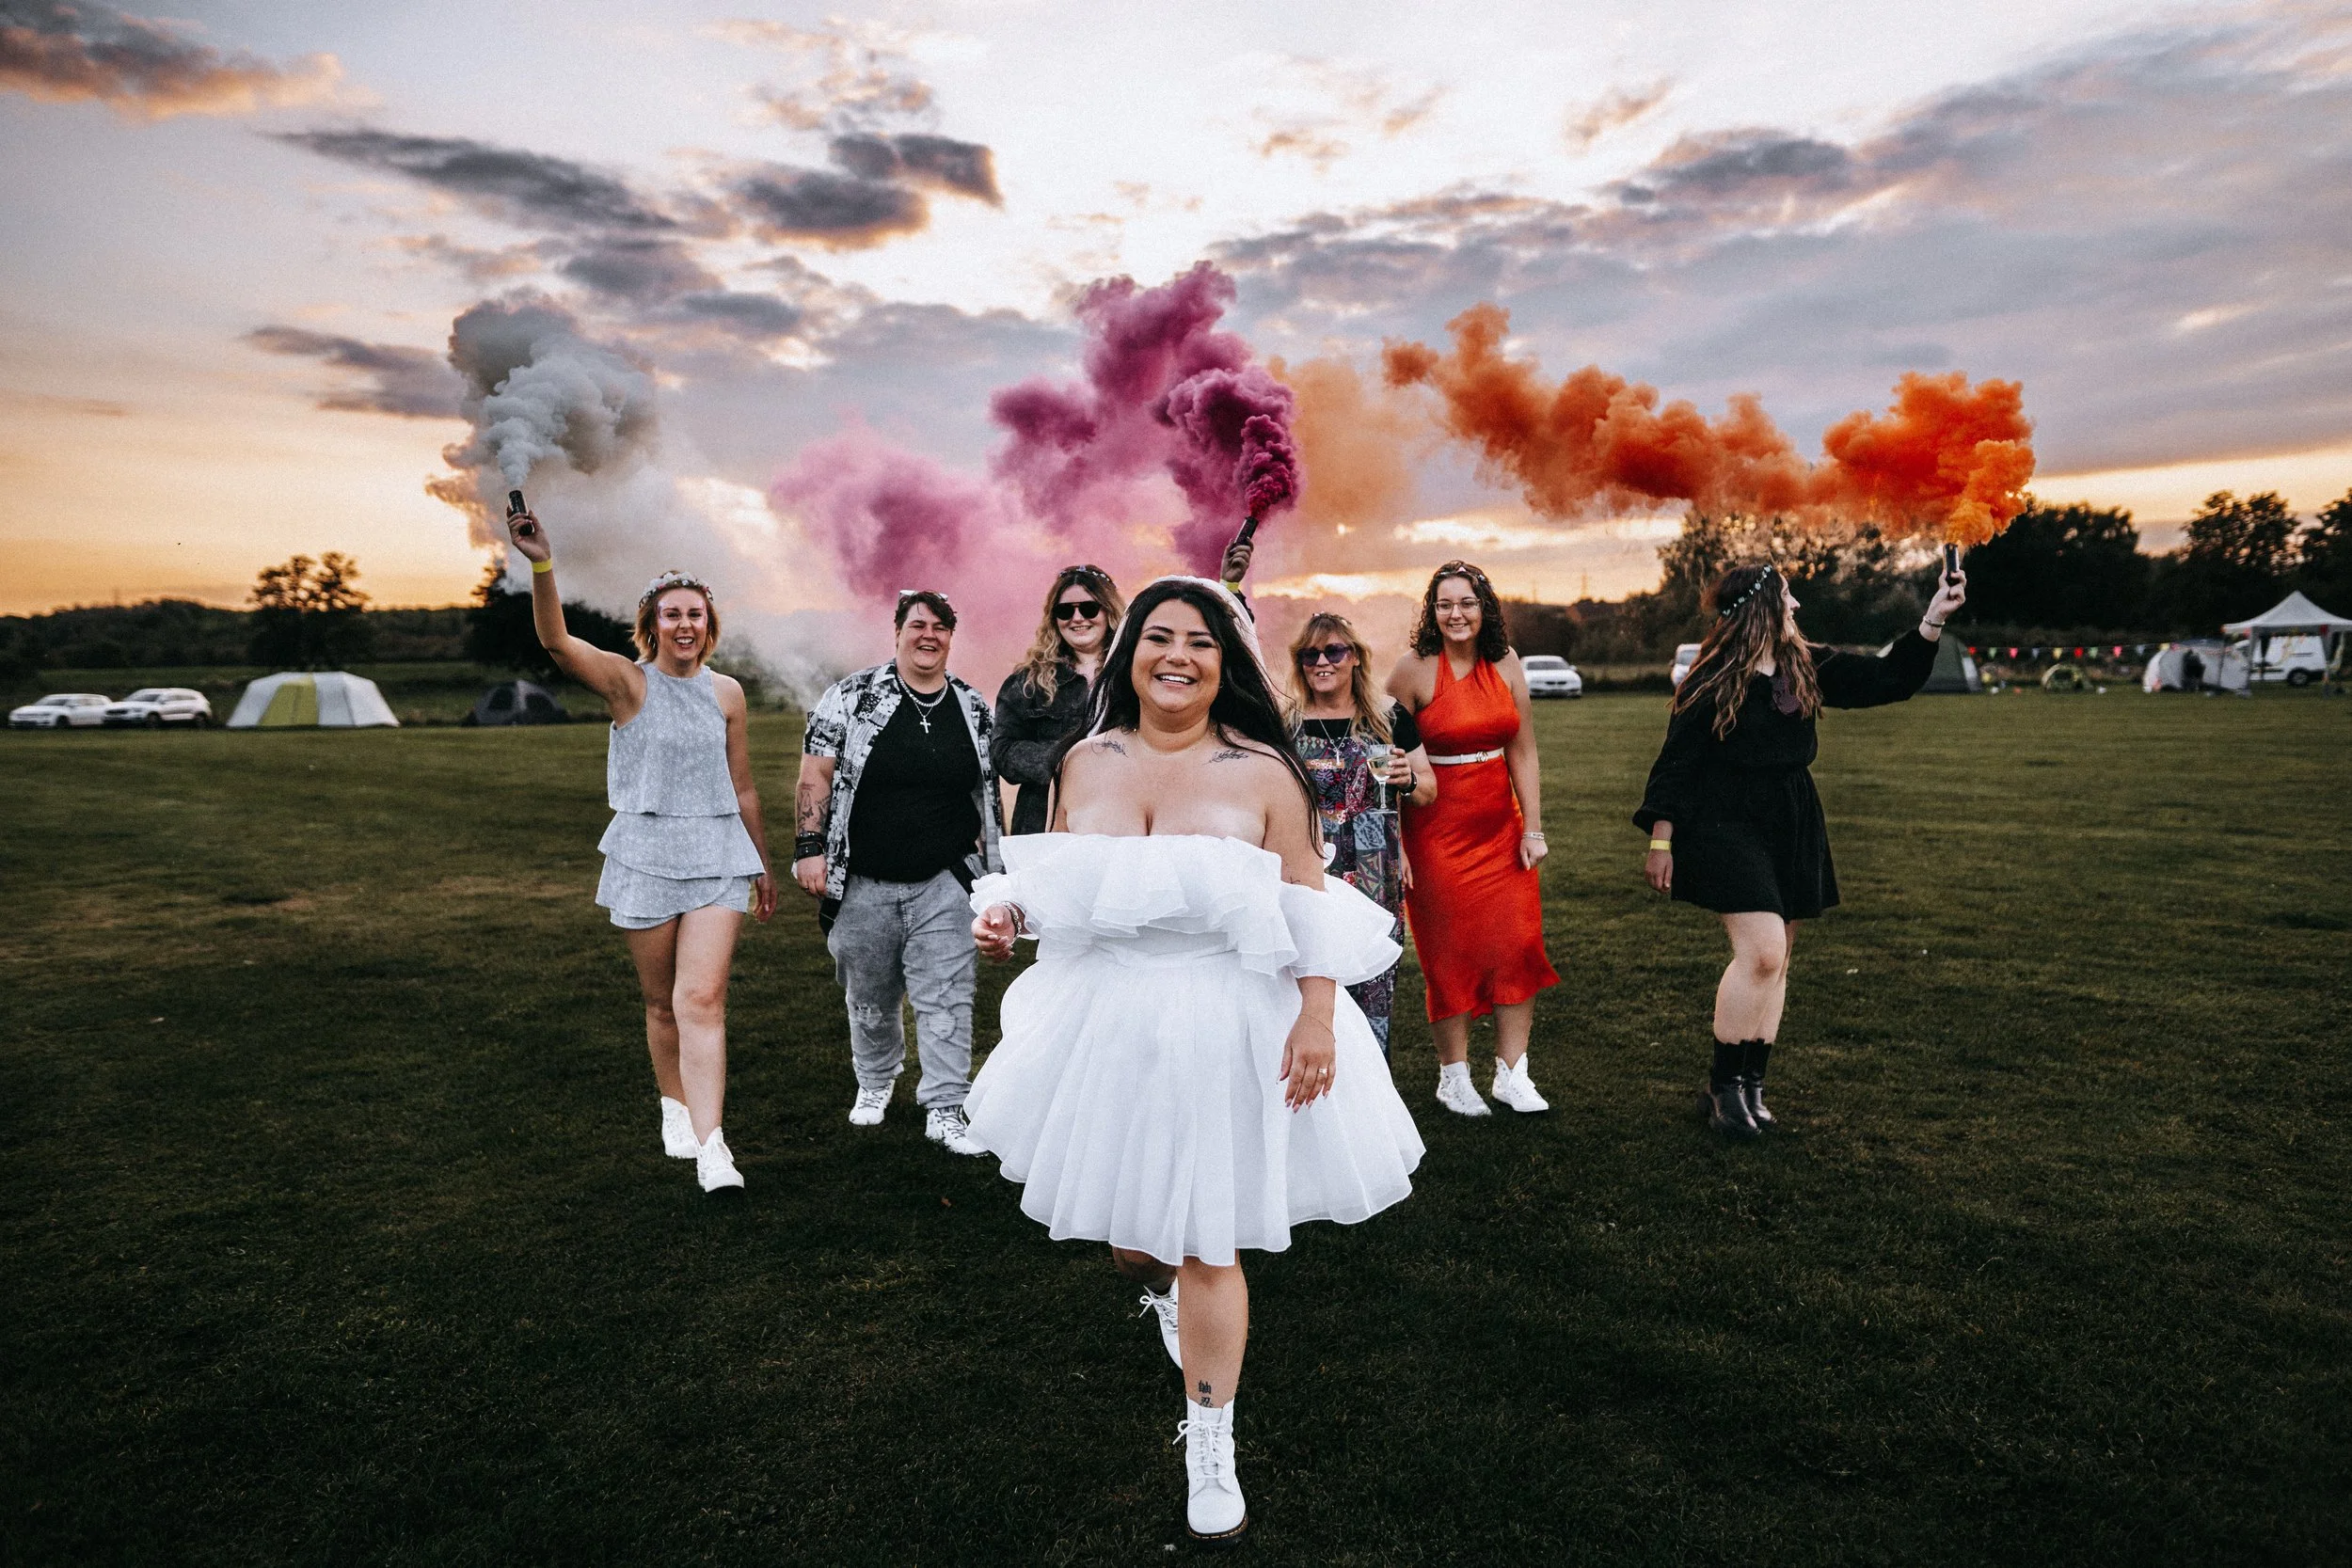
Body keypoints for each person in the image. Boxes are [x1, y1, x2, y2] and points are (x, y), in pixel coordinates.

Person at [966, 578, 1423, 1546]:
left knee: (1208, 1232)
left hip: (1228, 1015)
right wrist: (1010, 912)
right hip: (1108, 1017)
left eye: (1200, 642)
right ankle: (1160, 1287)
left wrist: (1317, 1014)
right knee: (1136, 1235)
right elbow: (1068, 885)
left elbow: (1309, 901)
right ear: (1130, 650)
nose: (1177, 655)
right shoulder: (1081, 761)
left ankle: (1210, 1437)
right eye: (1158, 636)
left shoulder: (1265, 770)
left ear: (1228, 663)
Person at [1635, 561, 1968, 1138]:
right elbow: (1676, 768)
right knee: (1761, 952)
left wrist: (1933, 619)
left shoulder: (1803, 664)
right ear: (1762, 608)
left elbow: (1888, 678)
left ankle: (1751, 1087)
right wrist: (1662, 840)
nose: (1797, 608)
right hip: (1725, 821)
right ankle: (1722, 1089)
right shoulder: (1711, 679)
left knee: (1780, 957)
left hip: (1792, 817)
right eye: (1788, 598)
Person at [501, 507, 775, 1195]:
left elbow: (741, 785)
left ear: (710, 626)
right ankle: (673, 1105)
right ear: (652, 623)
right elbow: (558, 642)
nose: (685, 625)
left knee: (702, 997)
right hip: (645, 852)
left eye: (696, 614)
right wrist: (541, 562)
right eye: (672, 613)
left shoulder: (729, 693)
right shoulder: (629, 682)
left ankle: (715, 1147)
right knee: (661, 1004)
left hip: (717, 852)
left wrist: (761, 862)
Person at [792, 590, 1004, 1158]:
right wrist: (809, 845)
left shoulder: (971, 706)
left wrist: (996, 873)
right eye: (918, 624)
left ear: (950, 638)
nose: (928, 635)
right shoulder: (852, 696)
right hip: (863, 878)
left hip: (944, 878)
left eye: (940, 626)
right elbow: (815, 772)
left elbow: (985, 794)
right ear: (898, 632)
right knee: (870, 996)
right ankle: (875, 1080)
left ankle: (945, 1105)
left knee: (947, 997)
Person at [1386, 561, 1560, 1117]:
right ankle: (1453, 1077)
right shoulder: (1412, 670)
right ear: (1431, 612)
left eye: (1466, 603)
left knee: (1518, 945)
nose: (1455, 614)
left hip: (1499, 829)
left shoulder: (1505, 664)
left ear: (1485, 608)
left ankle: (1513, 1074)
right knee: (1450, 955)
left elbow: (1523, 749)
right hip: (1434, 830)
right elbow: (1384, 761)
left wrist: (1531, 827)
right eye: (1444, 604)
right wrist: (1399, 846)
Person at [1287, 610, 1436, 1054]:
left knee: (1372, 986)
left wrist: (1409, 778)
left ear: (1355, 658)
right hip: (1309, 867)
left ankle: (1370, 1097)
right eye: (1310, 654)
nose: (1322, 662)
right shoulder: (1286, 723)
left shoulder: (1389, 718)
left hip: (1375, 869)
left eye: (1334, 651)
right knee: (1307, 978)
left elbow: (1428, 789)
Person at [993, 565, 1126, 836]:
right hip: (1043, 825)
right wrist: (1065, 759)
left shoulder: (1132, 673)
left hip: (1118, 822)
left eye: (1089, 609)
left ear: (1108, 610)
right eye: (1065, 611)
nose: (1077, 618)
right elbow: (1002, 752)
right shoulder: (1028, 681)